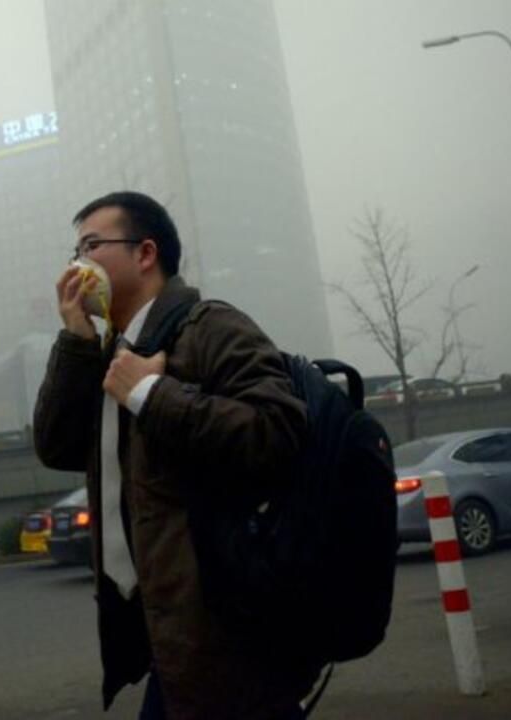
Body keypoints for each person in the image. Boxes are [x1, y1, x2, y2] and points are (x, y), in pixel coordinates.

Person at [33, 191, 318, 719]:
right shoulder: (109, 351)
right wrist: (76, 340)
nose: (77, 265)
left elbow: (276, 433)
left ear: (145, 253)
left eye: (92, 246)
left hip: (226, 626)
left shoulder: (209, 327)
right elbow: (56, 447)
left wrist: (150, 394)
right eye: (75, 251)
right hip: (166, 628)